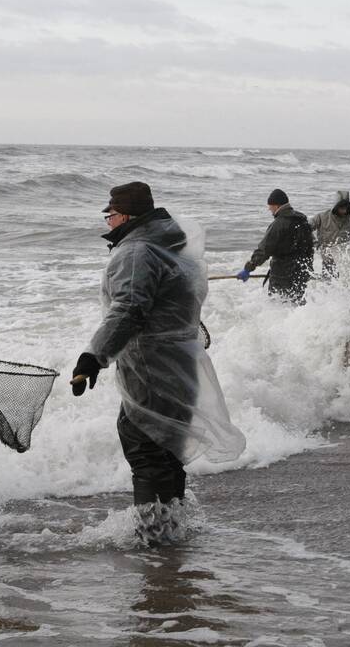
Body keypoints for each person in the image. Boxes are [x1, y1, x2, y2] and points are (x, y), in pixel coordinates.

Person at [72, 182, 245, 511]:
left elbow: (128, 310)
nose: (107, 222)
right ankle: (171, 530)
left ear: (124, 216)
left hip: (150, 369)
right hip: (180, 367)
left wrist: (94, 357)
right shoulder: (171, 248)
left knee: (145, 446)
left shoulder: (136, 252)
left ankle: (154, 538)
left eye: (109, 215)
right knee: (167, 448)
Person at [237, 189, 314, 304]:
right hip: (301, 273)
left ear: (277, 205)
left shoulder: (279, 223)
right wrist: (307, 269)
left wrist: (248, 268)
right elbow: (310, 247)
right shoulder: (302, 220)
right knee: (297, 305)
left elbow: (264, 249)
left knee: (278, 306)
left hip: (282, 275)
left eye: (270, 206)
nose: (269, 209)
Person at [309, 190, 350, 278]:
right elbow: (306, 228)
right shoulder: (322, 217)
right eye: (341, 208)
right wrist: (315, 242)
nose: (344, 211)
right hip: (328, 260)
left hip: (345, 261)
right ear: (336, 206)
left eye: (346, 208)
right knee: (329, 284)